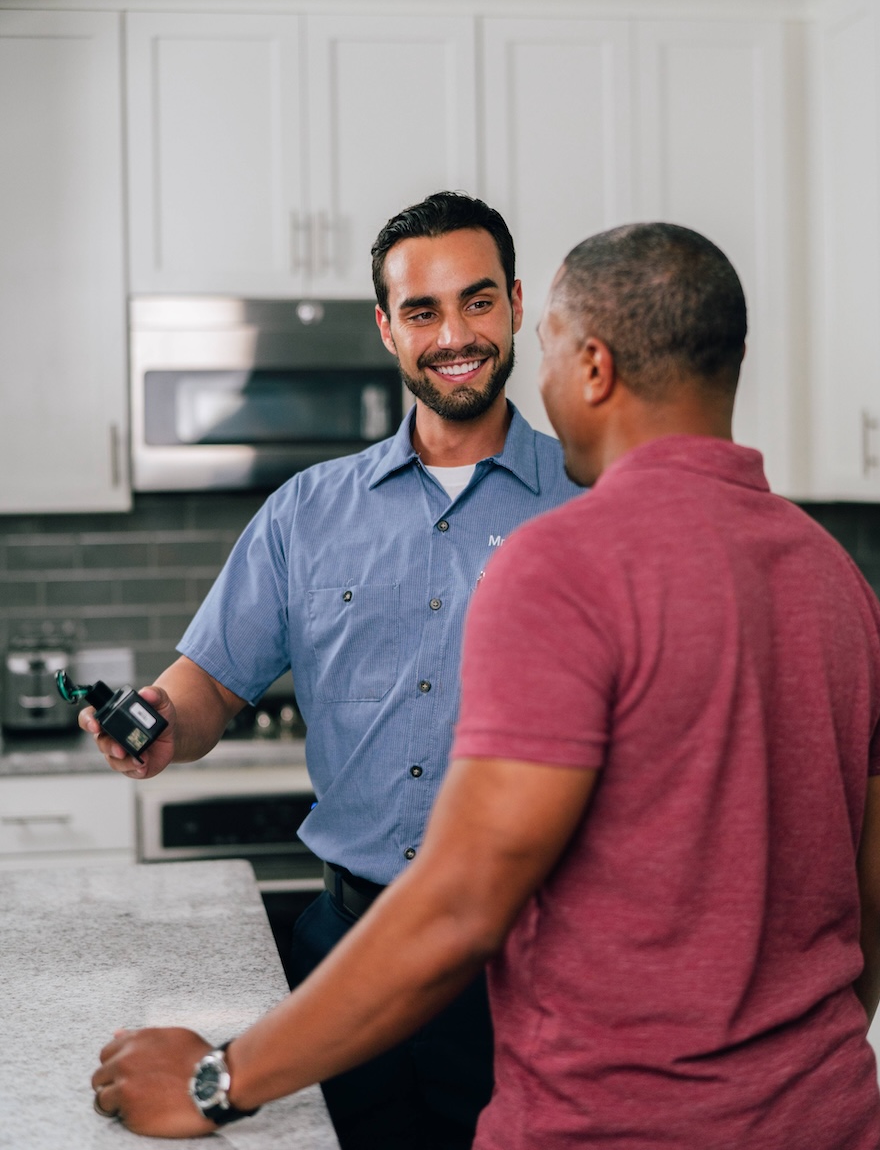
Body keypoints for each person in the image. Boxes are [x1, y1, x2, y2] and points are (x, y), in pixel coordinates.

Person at [91, 223, 880, 1148]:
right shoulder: (846, 586)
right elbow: (876, 900)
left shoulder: (563, 558)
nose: (464, 338)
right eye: (421, 310)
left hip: (595, 1107)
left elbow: (463, 904)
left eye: (534, 336)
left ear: (589, 365)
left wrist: (218, 1080)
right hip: (822, 1112)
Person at [81, 191, 580, 1149]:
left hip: (535, 963)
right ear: (387, 327)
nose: (455, 336)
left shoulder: (589, 502)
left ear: (516, 305)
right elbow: (209, 684)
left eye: (477, 302)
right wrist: (159, 719)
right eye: (423, 311)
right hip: (345, 949)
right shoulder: (307, 511)